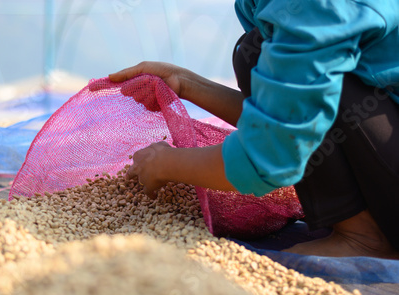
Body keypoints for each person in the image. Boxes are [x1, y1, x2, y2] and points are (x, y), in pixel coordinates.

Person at [108, 0, 399, 259]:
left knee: (255, 51)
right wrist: (186, 84)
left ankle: (362, 236)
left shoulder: (315, 8)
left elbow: (270, 157)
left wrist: (164, 164)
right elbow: (284, 118)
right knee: (252, 53)